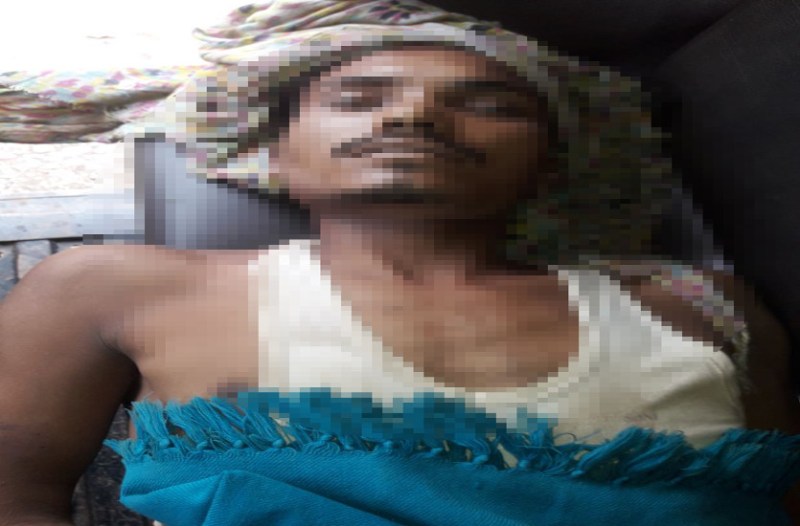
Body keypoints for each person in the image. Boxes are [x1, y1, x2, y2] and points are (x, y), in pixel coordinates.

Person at [1, 1, 799, 524]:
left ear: (549, 164)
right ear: (278, 151)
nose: (412, 115)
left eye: (489, 105)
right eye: (357, 99)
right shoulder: (110, 288)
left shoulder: (703, 307)